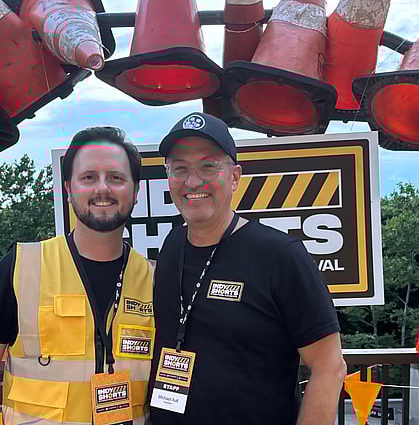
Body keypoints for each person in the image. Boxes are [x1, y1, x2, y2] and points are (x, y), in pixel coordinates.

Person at [148, 112, 346, 425]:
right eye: (180, 168)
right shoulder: (172, 246)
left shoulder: (280, 256)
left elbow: (329, 366)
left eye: (208, 167)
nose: (192, 181)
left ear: (235, 176)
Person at [0, 126, 156, 424]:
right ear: (68, 188)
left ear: (136, 191)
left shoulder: (155, 280)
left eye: (116, 178)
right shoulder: (22, 266)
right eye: (88, 177)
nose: (102, 188)